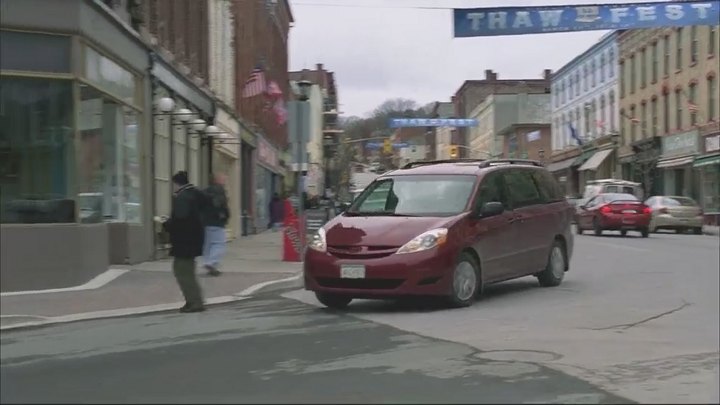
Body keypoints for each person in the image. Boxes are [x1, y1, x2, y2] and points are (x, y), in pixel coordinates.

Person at [163, 171, 206, 313]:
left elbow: (180, 219)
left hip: (184, 242)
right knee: (187, 271)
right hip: (194, 240)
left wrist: (166, 224)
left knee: (183, 272)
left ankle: (194, 302)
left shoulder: (183, 197)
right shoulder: (196, 194)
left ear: (176, 183)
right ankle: (194, 300)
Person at [202, 173, 230, 276]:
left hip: (205, 223)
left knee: (208, 246)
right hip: (217, 222)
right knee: (219, 244)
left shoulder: (204, 191)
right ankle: (211, 263)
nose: (224, 181)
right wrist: (225, 216)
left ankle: (209, 264)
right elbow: (222, 206)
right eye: (223, 179)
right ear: (217, 180)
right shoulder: (219, 191)